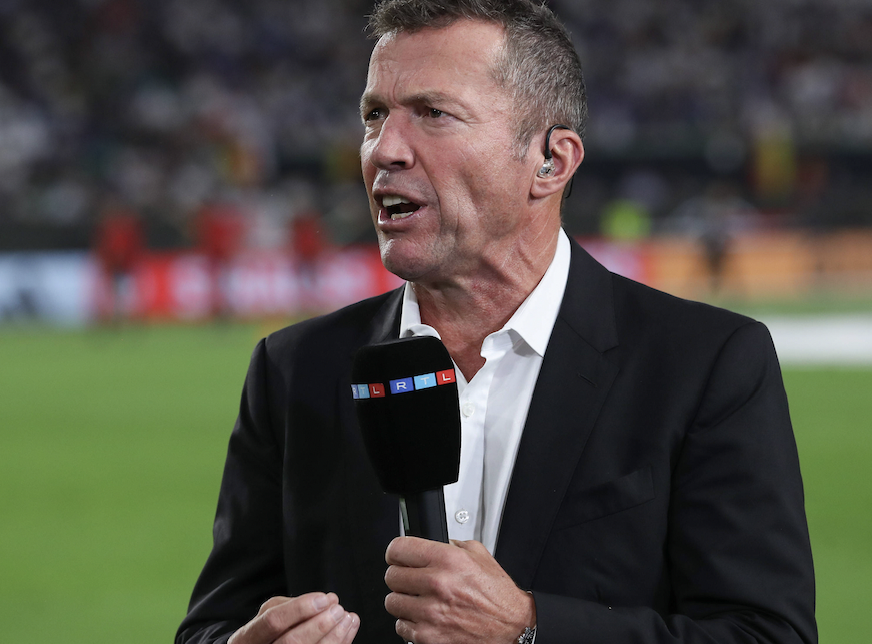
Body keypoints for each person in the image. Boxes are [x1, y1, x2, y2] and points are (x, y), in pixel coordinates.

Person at [176, 1, 816, 643]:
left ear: (551, 162)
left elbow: (768, 634)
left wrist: (530, 630)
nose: (383, 149)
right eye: (374, 115)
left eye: (433, 113)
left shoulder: (704, 365)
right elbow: (212, 626)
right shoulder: (295, 370)